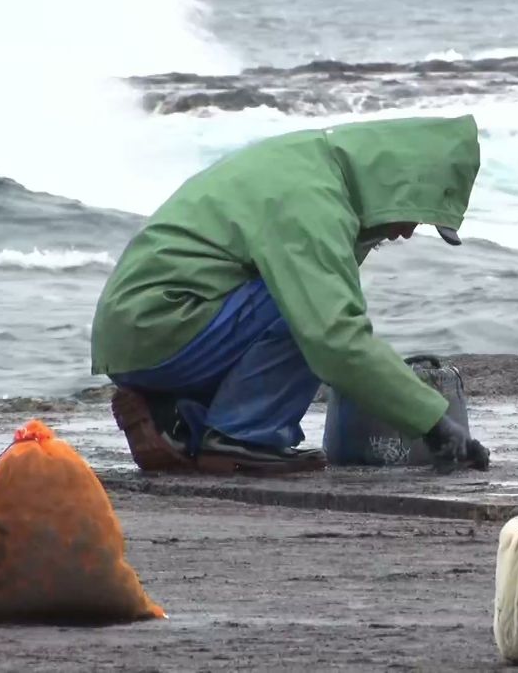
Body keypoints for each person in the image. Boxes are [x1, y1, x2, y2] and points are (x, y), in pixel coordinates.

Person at [91, 115, 490, 475]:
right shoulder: (313, 200)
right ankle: (241, 436)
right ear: (399, 183)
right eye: (416, 216)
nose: (406, 232)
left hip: (145, 330)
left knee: (301, 300)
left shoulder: (310, 166)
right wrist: (436, 425)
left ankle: (177, 420)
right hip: (164, 325)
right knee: (306, 309)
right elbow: (333, 337)